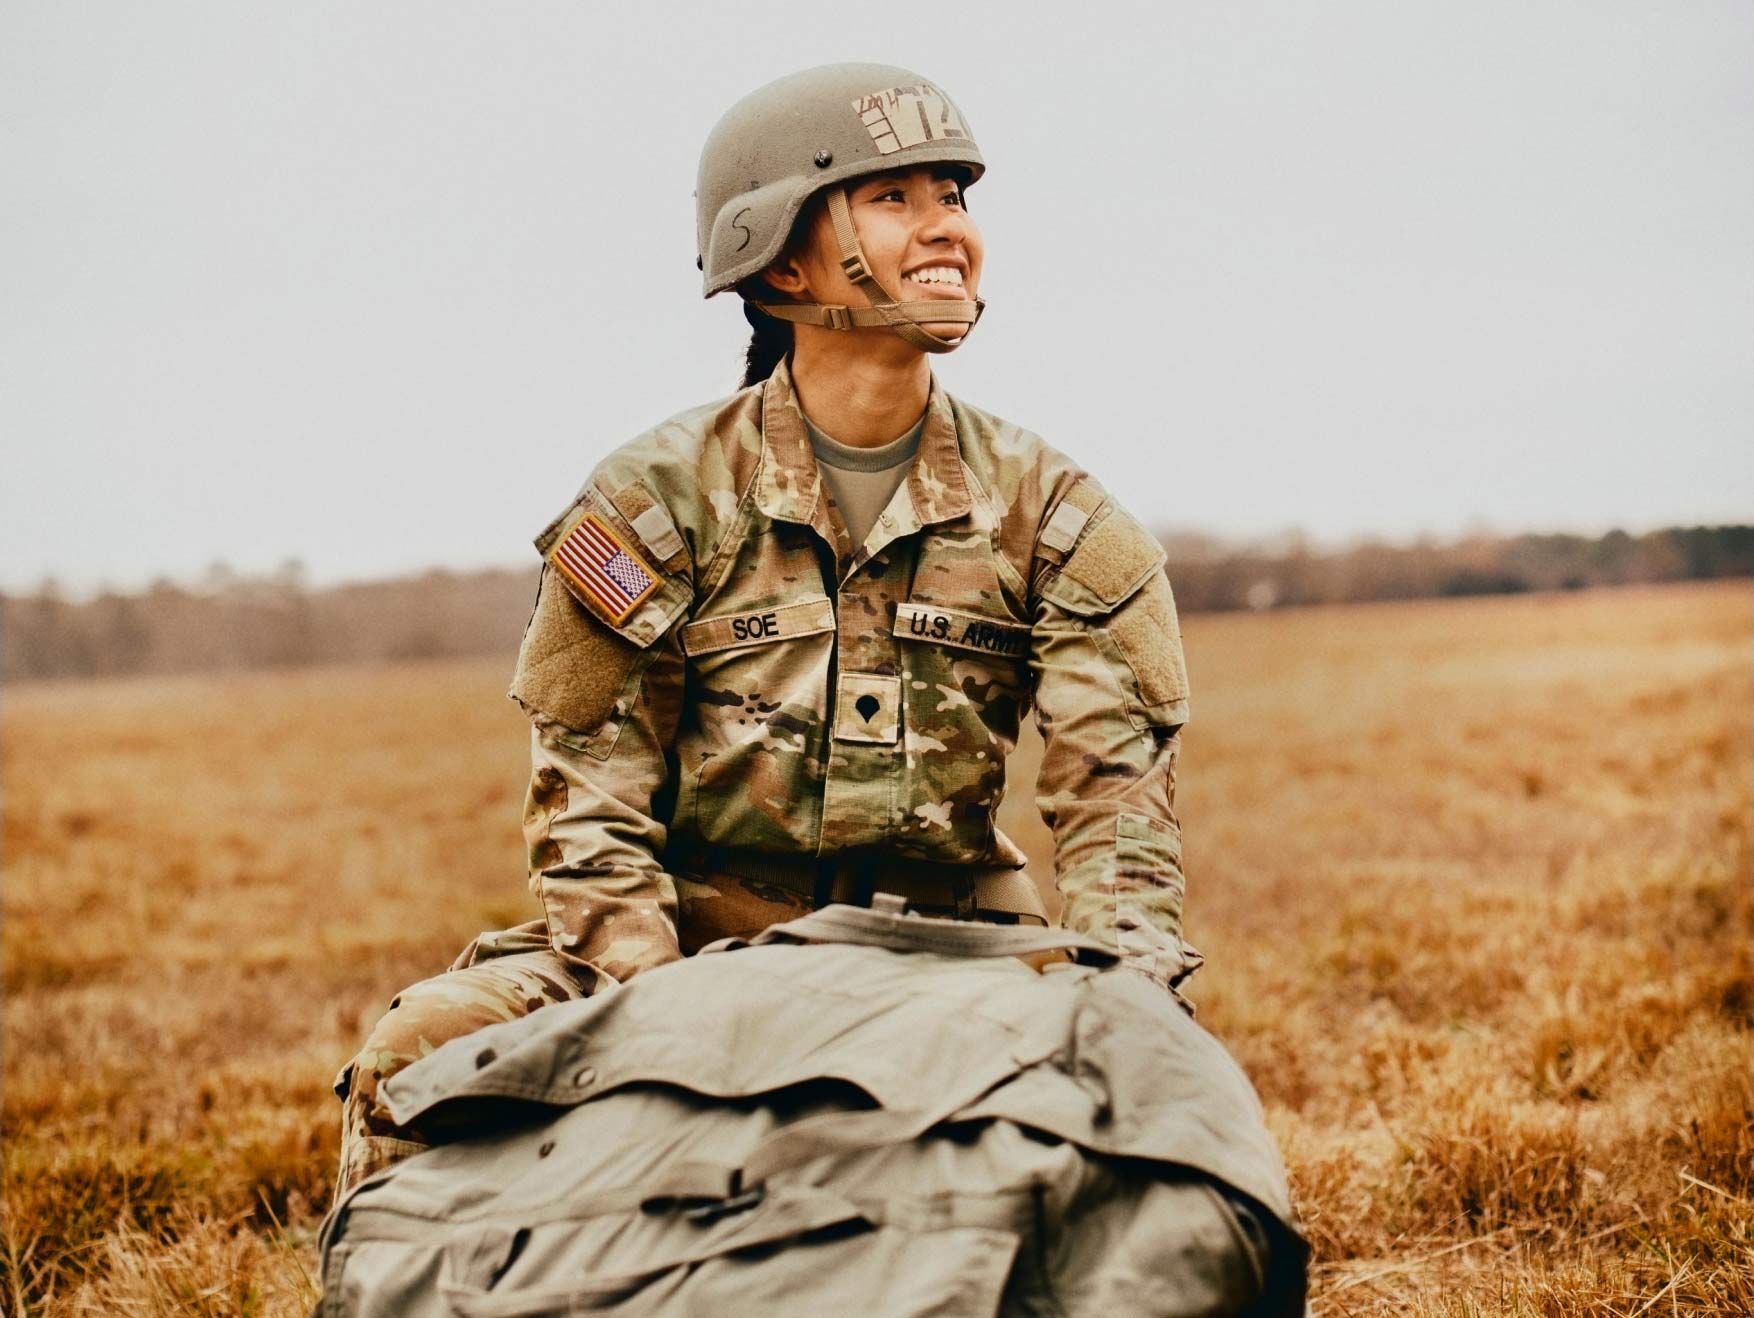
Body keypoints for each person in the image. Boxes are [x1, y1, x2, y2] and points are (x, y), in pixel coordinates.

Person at [332, 62, 1196, 1196]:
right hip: (684, 956)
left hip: (953, 957)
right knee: (422, 1050)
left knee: (1162, 1109)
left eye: (957, 195)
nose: (947, 229)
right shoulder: (655, 500)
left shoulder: (1058, 514)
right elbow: (588, 815)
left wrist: (1122, 1007)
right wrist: (669, 1022)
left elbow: (1117, 820)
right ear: (781, 254)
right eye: (896, 198)